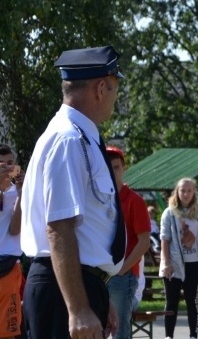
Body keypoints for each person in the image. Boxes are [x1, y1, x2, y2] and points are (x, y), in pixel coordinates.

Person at [21, 45, 126, 338]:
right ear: (101, 87)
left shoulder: (80, 137)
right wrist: (78, 308)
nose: (115, 98)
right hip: (62, 292)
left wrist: (96, 293)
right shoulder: (68, 139)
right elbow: (60, 227)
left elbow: (88, 229)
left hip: (75, 286)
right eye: (116, 88)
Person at [160, 177, 198, 339]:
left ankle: (193, 334)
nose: (185, 194)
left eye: (189, 190)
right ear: (177, 192)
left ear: (194, 192)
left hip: (194, 262)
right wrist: (165, 263)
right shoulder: (169, 212)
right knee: (171, 301)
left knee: (192, 300)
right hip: (173, 262)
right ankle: (168, 335)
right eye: (182, 190)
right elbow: (164, 238)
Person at [106, 146, 152, 339]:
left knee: (119, 332)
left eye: (116, 167)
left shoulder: (135, 200)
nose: (112, 171)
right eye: (107, 167)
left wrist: (122, 269)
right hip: (98, 274)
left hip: (121, 276)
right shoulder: (98, 199)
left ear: (123, 168)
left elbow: (144, 242)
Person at [0, 144, 25, 338]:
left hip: (8, 266)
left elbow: (15, 229)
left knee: (8, 330)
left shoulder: (18, 192)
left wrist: (21, 192)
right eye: (1, 165)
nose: (7, 168)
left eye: (10, 163)